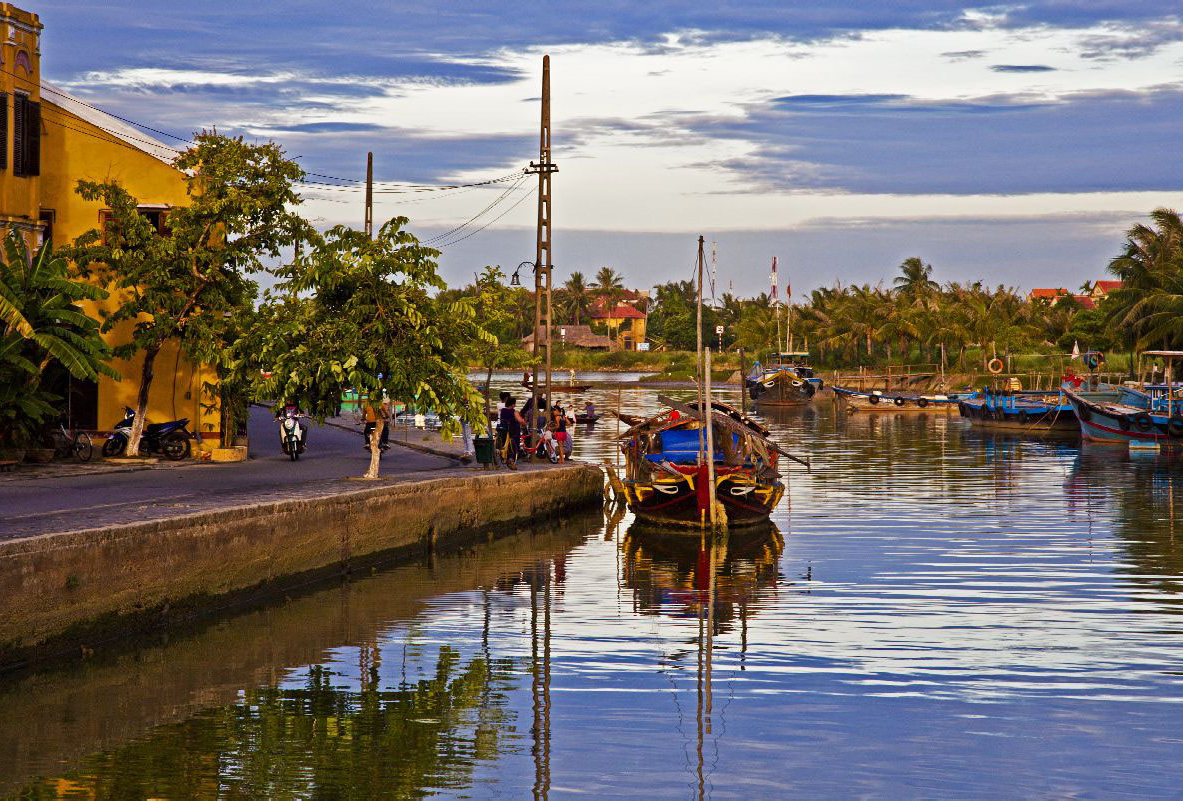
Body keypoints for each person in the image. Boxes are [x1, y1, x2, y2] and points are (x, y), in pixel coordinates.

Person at [498, 396, 525, 468]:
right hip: (513, 430)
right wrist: (524, 422)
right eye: (514, 404)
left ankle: (504, 458)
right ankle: (511, 458)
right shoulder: (514, 412)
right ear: (512, 404)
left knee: (504, 442)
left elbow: (501, 419)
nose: (515, 405)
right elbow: (520, 420)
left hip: (504, 429)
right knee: (514, 444)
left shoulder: (502, 410)